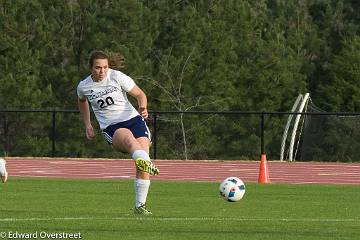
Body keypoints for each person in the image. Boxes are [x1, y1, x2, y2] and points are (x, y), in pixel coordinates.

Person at [77, 50, 159, 215]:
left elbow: (140, 94)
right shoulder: (83, 86)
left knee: (141, 161)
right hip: (112, 127)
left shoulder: (117, 76)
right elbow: (82, 101)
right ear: (90, 68)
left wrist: (143, 107)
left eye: (105, 67)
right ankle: (144, 160)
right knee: (130, 142)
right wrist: (87, 124)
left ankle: (140, 207)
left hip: (134, 120)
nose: (102, 72)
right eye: (98, 68)